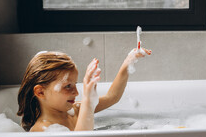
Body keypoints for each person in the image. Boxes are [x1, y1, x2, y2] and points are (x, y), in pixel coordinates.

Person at [17, 48, 151, 132]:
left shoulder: (75, 110)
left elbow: (112, 97)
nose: (76, 92)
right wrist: (88, 99)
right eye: (68, 86)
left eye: (75, 84)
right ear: (40, 92)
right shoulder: (41, 130)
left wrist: (128, 63)